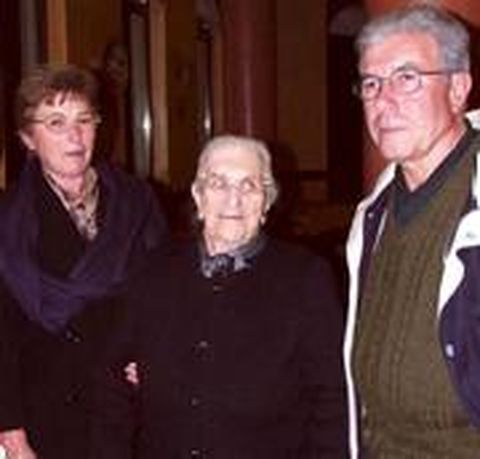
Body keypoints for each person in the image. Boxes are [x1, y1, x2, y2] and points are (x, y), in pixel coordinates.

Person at [90, 135, 348, 458]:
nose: (233, 200)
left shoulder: (306, 278)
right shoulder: (153, 270)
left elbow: (331, 400)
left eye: (248, 186)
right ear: (198, 197)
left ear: (267, 202)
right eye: (218, 184)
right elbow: (111, 381)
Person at [0, 64, 166, 459]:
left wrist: (153, 354)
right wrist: (9, 424)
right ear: (28, 137)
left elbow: (164, 293)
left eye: (84, 120)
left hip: (130, 404)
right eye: (56, 123)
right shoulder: (6, 218)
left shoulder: (136, 201)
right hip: (44, 409)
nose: (74, 136)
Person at [344, 4, 480, 458]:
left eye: (407, 78)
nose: (383, 101)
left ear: (457, 89)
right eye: (371, 83)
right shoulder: (373, 215)